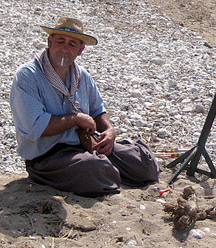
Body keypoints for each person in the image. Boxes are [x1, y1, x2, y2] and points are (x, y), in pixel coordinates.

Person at [10, 15, 160, 196]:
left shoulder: (81, 75)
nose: (65, 48)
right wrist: (76, 119)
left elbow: (98, 110)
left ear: (81, 50)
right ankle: (106, 172)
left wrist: (110, 132)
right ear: (49, 41)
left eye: (72, 44)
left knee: (144, 163)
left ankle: (109, 171)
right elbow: (35, 126)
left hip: (87, 143)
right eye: (60, 41)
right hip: (48, 155)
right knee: (93, 169)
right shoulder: (28, 76)